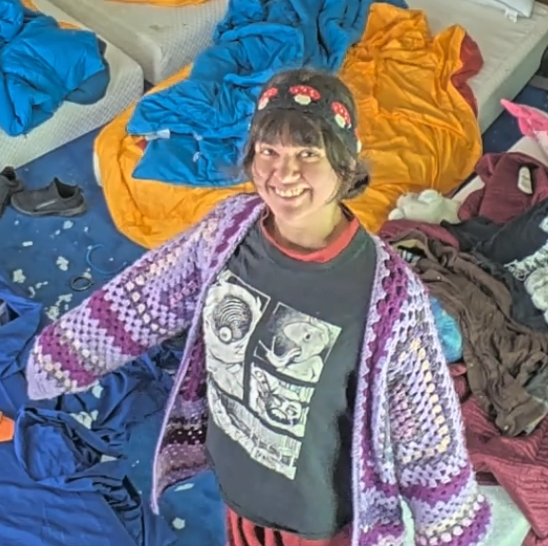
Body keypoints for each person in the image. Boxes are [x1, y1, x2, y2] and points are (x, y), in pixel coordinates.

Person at [26, 68, 491, 546]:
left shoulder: (389, 296)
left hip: (317, 523)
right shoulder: (229, 229)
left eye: (308, 153)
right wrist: (65, 352)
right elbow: (145, 297)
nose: (284, 173)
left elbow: (425, 435)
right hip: (236, 490)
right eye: (269, 151)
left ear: (347, 163)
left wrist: (450, 529)